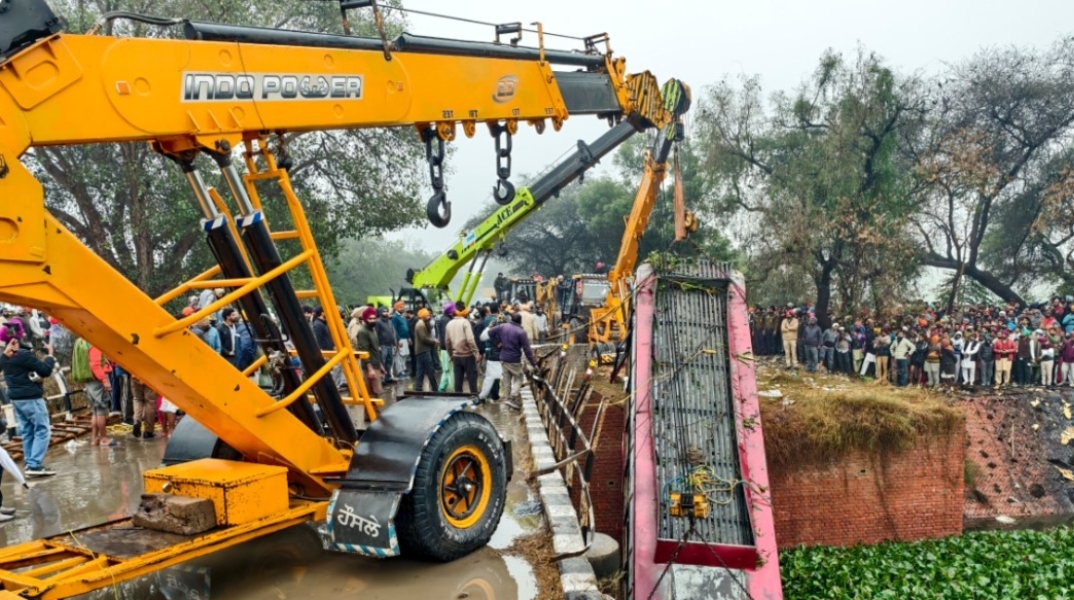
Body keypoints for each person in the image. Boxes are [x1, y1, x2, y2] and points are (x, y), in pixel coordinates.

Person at [0, 332, 56, 477]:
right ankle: (34, 465)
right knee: (42, 429)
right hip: (31, 397)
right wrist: (50, 355)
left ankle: (30, 461)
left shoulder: (5, 357)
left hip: (16, 398)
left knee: (28, 431)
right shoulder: (23, 355)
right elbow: (45, 370)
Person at [489, 312, 537, 408]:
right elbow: (527, 350)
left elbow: (490, 332)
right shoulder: (521, 332)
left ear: (511, 319)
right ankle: (512, 398)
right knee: (519, 378)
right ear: (520, 321)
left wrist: (497, 343)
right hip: (514, 359)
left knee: (507, 380)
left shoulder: (503, 326)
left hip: (503, 358)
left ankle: (507, 400)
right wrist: (534, 363)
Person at [445, 307, 480, 394]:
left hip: (456, 356)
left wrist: (451, 355)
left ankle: (458, 399)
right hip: (468, 356)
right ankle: (474, 398)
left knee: (458, 381)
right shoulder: (465, 322)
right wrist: (476, 353)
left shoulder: (449, 324)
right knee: (472, 380)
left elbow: (447, 342)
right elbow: (470, 339)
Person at [353, 307, 385, 396]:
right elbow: (364, 350)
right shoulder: (363, 331)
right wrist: (370, 369)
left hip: (376, 364)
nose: (372, 320)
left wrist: (380, 364)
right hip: (369, 367)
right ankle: (372, 410)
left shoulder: (372, 330)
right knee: (371, 393)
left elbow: (375, 349)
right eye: (370, 318)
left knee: (377, 392)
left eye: (374, 318)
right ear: (365, 319)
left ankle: (375, 410)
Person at [478, 304, 504, 402]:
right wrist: (499, 343)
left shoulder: (486, 320)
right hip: (496, 351)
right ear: (498, 309)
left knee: (490, 375)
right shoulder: (498, 319)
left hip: (488, 350)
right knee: (497, 376)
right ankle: (494, 395)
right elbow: (496, 334)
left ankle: (485, 396)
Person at [412, 308, 439, 392]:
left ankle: (418, 388)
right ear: (423, 315)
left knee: (420, 370)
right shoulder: (420, 325)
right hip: (424, 350)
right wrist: (434, 341)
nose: (429, 316)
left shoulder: (422, 323)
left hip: (420, 351)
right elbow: (424, 339)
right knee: (430, 369)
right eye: (427, 315)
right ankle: (435, 388)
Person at [375, 307, 397, 385]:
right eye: (384, 311)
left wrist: (394, 343)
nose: (386, 313)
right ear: (380, 312)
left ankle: (388, 377)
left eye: (387, 311)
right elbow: (376, 334)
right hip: (383, 345)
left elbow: (392, 332)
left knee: (389, 362)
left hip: (390, 345)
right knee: (382, 362)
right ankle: (382, 379)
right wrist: (378, 345)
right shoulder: (378, 322)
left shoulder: (389, 321)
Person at [391, 301, 411, 379]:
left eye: (403, 307)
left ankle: (403, 370)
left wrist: (408, 338)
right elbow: (394, 329)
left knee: (405, 355)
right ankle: (399, 372)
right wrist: (398, 340)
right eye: (400, 307)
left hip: (405, 339)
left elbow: (406, 328)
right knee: (399, 356)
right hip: (400, 340)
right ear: (396, 308)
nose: (402, 308)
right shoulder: (395, 317)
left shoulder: (402, 316)